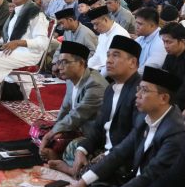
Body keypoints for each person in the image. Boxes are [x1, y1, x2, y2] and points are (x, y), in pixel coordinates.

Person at [73, 67, 185, 187]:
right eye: (138, 89)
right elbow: (120, 152)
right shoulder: (143, 117)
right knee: (91, 181)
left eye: (144, 90)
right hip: (134, 179)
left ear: (163, 98)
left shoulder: (175, 131)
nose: (137, 95)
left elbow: (152, 175)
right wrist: (84, 181)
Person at [61, 36, 144, 176]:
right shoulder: (110, 89)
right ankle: (76, 171)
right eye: (108, 55)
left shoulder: (140, 93)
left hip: (123, 157)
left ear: (133, 62)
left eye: (115, 55)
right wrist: (82, 151)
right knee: (74, 147)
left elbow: (135, 137)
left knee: (91, 178)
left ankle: (72, 171)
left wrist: (106, 156)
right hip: (104, 148)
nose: (108, 60)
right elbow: (98, 127)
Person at [39, 41, 108, 163]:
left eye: (65, 62)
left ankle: (63, 162)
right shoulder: (71, 79)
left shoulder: (95, 85)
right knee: (40, 128)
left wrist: (51, 135)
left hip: (95, 135)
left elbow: (78, 114)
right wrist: (55, 129)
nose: (60, 67)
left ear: (81, 63)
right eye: (59, 62)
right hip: (79, 127)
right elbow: (66, 108)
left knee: (72, 147)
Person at [87, 5, 129, 75]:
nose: (94, 28)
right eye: (93, 25)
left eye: (96, 24)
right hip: (102, 70)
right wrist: (85, 68)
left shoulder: (120, 35)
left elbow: (114, 64)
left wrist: (98, 78)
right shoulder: (103, 34)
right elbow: (97, 56)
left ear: (105, 20)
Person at [133, 7, 166, 73]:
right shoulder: (141, 38)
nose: (136, 26)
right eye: (136, 23)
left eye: (140, 24)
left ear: (152, 26)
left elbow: (149, 68)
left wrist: (127, 75)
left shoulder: (161, 41)